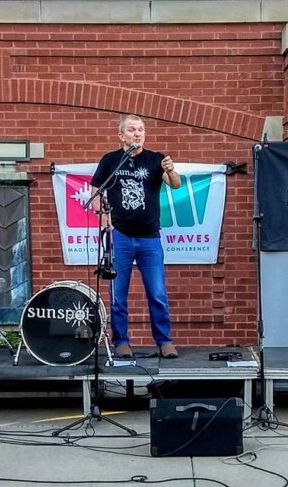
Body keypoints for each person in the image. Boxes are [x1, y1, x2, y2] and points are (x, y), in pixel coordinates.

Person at [90, 115, 182, 359]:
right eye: (132, 130)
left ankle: (164, 341)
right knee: (118, 294)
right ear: (121, 135)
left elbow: (175, 184)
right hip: (120, 236)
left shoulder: (156, 159)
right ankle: (121, 341)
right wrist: (104, 219)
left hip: (150, 238)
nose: (138, 134)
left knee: (157, 293)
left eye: (141, 130)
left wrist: (170, 170)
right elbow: (96, 191)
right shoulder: (111, 160)